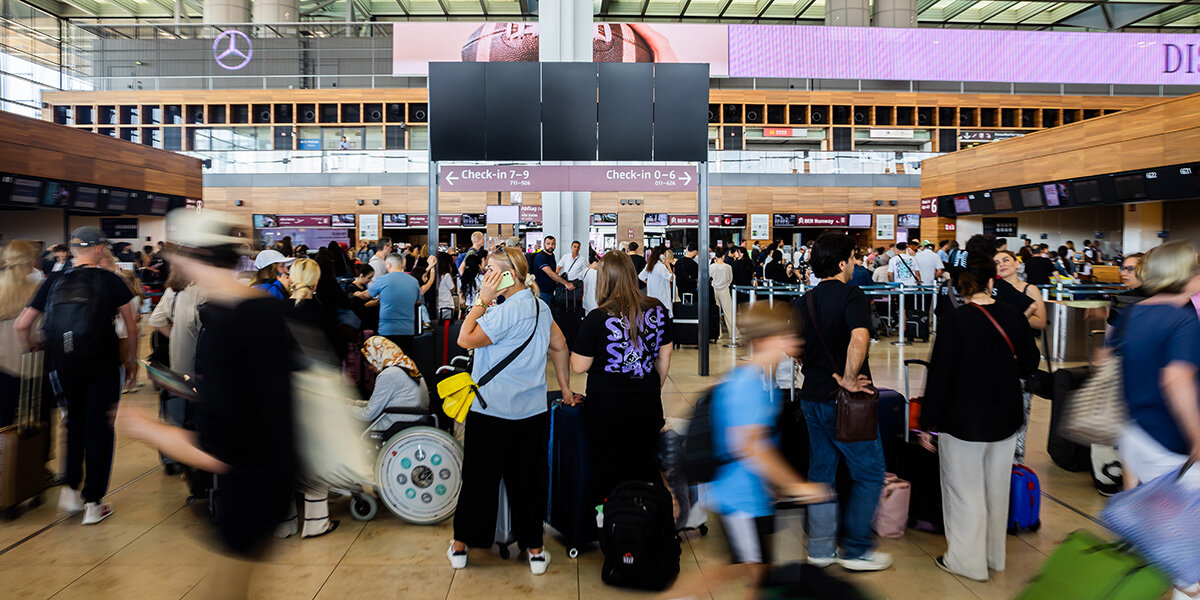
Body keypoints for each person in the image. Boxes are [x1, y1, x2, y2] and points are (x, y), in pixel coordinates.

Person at [116, 209, 298, 598]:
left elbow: (220, 449)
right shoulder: (264, 309)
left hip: (246, 493)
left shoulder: (226, 325)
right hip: (274, 479)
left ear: (192, 259)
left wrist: (147, 429)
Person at [669, 303, 834, 600]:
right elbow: (751, 448)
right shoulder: (749, 384)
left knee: (746, 567)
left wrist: (774, 485)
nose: (795, 340)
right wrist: (796, 486)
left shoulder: (761, 379)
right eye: (787, 334)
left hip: (749, 494)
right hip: (739, 498)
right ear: (767, 340)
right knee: (756, 572)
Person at [448, 247, 575, 575]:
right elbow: (560, 345)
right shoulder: (539, 307)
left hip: (490, 411)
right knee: (528, 482)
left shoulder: (502, 311)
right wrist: (564, 388)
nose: (485, 274)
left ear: (509, 274)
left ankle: (462, 544)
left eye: (490, 269)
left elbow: (464, 338)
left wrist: (480, 300)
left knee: (479, 480)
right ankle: (534, 550)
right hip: (531, 412)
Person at [917, 251, 1040, 583]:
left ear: (961, 286)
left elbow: (940, 374)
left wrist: (929, 423)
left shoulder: (956, 321)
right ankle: (993, 556)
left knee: (963, 490)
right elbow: (1030, 363)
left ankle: (966, 561)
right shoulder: (1013, 315)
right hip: (1005, 417)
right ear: (991, 280)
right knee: (995, 489)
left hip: (963, 419)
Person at [14, 227, 137, 525]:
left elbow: (22, 324)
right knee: (100, 427)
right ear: (98, 250)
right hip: (102, 364)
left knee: (73, 421)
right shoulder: (111, 280)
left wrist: (33, 345)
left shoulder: (53, 280)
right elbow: (130, 325)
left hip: (62, 363)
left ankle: (70, 490)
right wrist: (131, 360)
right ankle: (93, 502)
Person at [1107, 242, 1200, 600]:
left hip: (1138, 434)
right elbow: (1176, 380)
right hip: (1171, 443)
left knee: (1174, 542)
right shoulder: (1182, 320)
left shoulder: (1137, 311)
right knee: (1188, 556)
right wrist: (1196, 436)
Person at [794, 233, 891, 572]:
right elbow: (860, 336)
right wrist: (849, 379)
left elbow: (793, 348)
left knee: (821, 473)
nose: (855, 263)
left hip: (812, 397)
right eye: (852, 257)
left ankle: (820, 549)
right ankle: (856, 548)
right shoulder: (852, 295)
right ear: (841, 262)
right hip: (845, 403)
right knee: (870, 472)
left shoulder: (804, 300)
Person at [571, 251, 673, 504]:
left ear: (604, 280)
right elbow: (665, 355)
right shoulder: (657, 309)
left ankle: (615, 526)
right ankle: (648, 521)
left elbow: (579, 366)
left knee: (609, 470)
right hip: (647, 403)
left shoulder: (597, 317)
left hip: (605, 407)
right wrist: (652, 387)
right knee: (645, 464)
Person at [994, 249, 1047, 463]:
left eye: (1006, 259)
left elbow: (1041, 321)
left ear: (1017, 264)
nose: (1002, 264)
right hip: (998, 357)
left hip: (1022, 356)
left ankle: (1017, 462)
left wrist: (1015, 319)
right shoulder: (993, 291)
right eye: (996, 262)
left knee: (1021, 412)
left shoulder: (1029, 290)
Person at [0, 241, 41, 426]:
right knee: (28, 420)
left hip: (2, 364)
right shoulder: (36, 290)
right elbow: (40, 332)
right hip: (29, 365)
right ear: (30, 260)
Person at [356, 336, 429, 436]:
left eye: (369, 362)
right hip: (414, 420)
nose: (369, 368)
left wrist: (344, 408)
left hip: (396, 425)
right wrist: (356, 403)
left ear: (377, 355)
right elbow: (382, 403)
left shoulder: (388, 374)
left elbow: (368, 414)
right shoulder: (406, 365)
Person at [368, 254, 422, 356]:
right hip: (407, 330)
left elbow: (368, 295)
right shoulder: (413, 281)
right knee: (405, 362)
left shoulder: (382, 279)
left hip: (387, 329)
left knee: (387, 362)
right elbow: (417, 301)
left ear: (388, 264)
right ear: (402, 265)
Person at [1106, 252, 1148, 327]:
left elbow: (1112, 335)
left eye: (1130, 269)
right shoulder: (1165, 296)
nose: (1123, 273)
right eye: (1123, 268)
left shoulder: (1122, 299)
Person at [532, 236, 574, 305]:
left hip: (549, 291)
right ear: (544, 244)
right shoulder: (541, 257)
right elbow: (550, 273)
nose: (550, 246)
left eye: (553, 244)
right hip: (541, 292)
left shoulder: (551, 255)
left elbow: (554, 272)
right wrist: (566, 283)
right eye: (548, 244)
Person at [640, 245, 676, 316]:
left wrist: (650, 283)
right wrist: (668, 265)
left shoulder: (650, 265)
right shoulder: (661, 266)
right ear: (661, 255)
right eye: (665, 254)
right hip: (662, 299)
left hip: (652, 297)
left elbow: (641, 276)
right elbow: (671, 278)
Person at [711, 248, 738, 341]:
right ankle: (733, 333)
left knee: (715, 312)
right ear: (723, 256)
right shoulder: (728, 267)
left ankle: (718, 334)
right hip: (725, 290)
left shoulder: (712, 266)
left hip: (714, 290)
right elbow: (730, 279)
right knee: (729, 312)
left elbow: (709, 278)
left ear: (715, 257)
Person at [435, 252, 458, 321]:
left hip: (438, 307)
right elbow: (452, 289)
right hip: (447, 306)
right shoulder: (446, 275)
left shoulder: (436, 276)